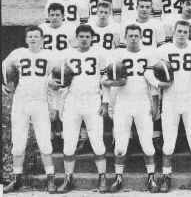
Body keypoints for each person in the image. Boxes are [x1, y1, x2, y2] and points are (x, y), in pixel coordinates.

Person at [103, 24, 160, 193]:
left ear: (141, 36)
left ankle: (151, 177)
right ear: (125, 37)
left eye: (136, 35)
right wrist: (116, 83)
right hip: (123, 103)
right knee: (120, 144)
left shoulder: (149, 54)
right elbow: (104, 81)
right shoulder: (117, 55)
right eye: (130, 36)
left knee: (147, 143)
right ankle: (118, 177)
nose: (133, 38)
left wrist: (155, 104)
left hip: (143, 102)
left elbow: (153, 83)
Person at [2, 26, 58, 194]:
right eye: (30, 36)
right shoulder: (18, 53)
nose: (33, 39)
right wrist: (5, 84)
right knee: (18, 143)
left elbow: (55, 81)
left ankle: (51, 179)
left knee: (44, 142)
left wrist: (53, 105)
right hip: (21, 101)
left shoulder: (50, 56)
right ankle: (17, 179)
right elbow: (5, 66)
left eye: (36, 36)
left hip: (40, 101)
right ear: (26, 39)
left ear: (42, 39)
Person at [53, 24, 109, 193]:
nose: (84, 39)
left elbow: (105, 80)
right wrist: (55, 93)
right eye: (81, 36)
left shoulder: (99, 54)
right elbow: (56, 77)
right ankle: (68, 178)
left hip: (93, 100)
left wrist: (105, 102)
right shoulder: (67, 54)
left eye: (87, 36)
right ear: (76, 38)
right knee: (69, 143)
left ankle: (103, 178)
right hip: (72, 101)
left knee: (97, 142)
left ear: (92, 38)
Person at [152, 20, 191, 192]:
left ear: (189, 33)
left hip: (190, 99)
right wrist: (158, 85)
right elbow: (148, 72)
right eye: (179, 31)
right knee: (168, 142)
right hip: (170, 100)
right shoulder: (163, 50)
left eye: (185, 31)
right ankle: (166, 177)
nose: (182, 34)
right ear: (173, 31)